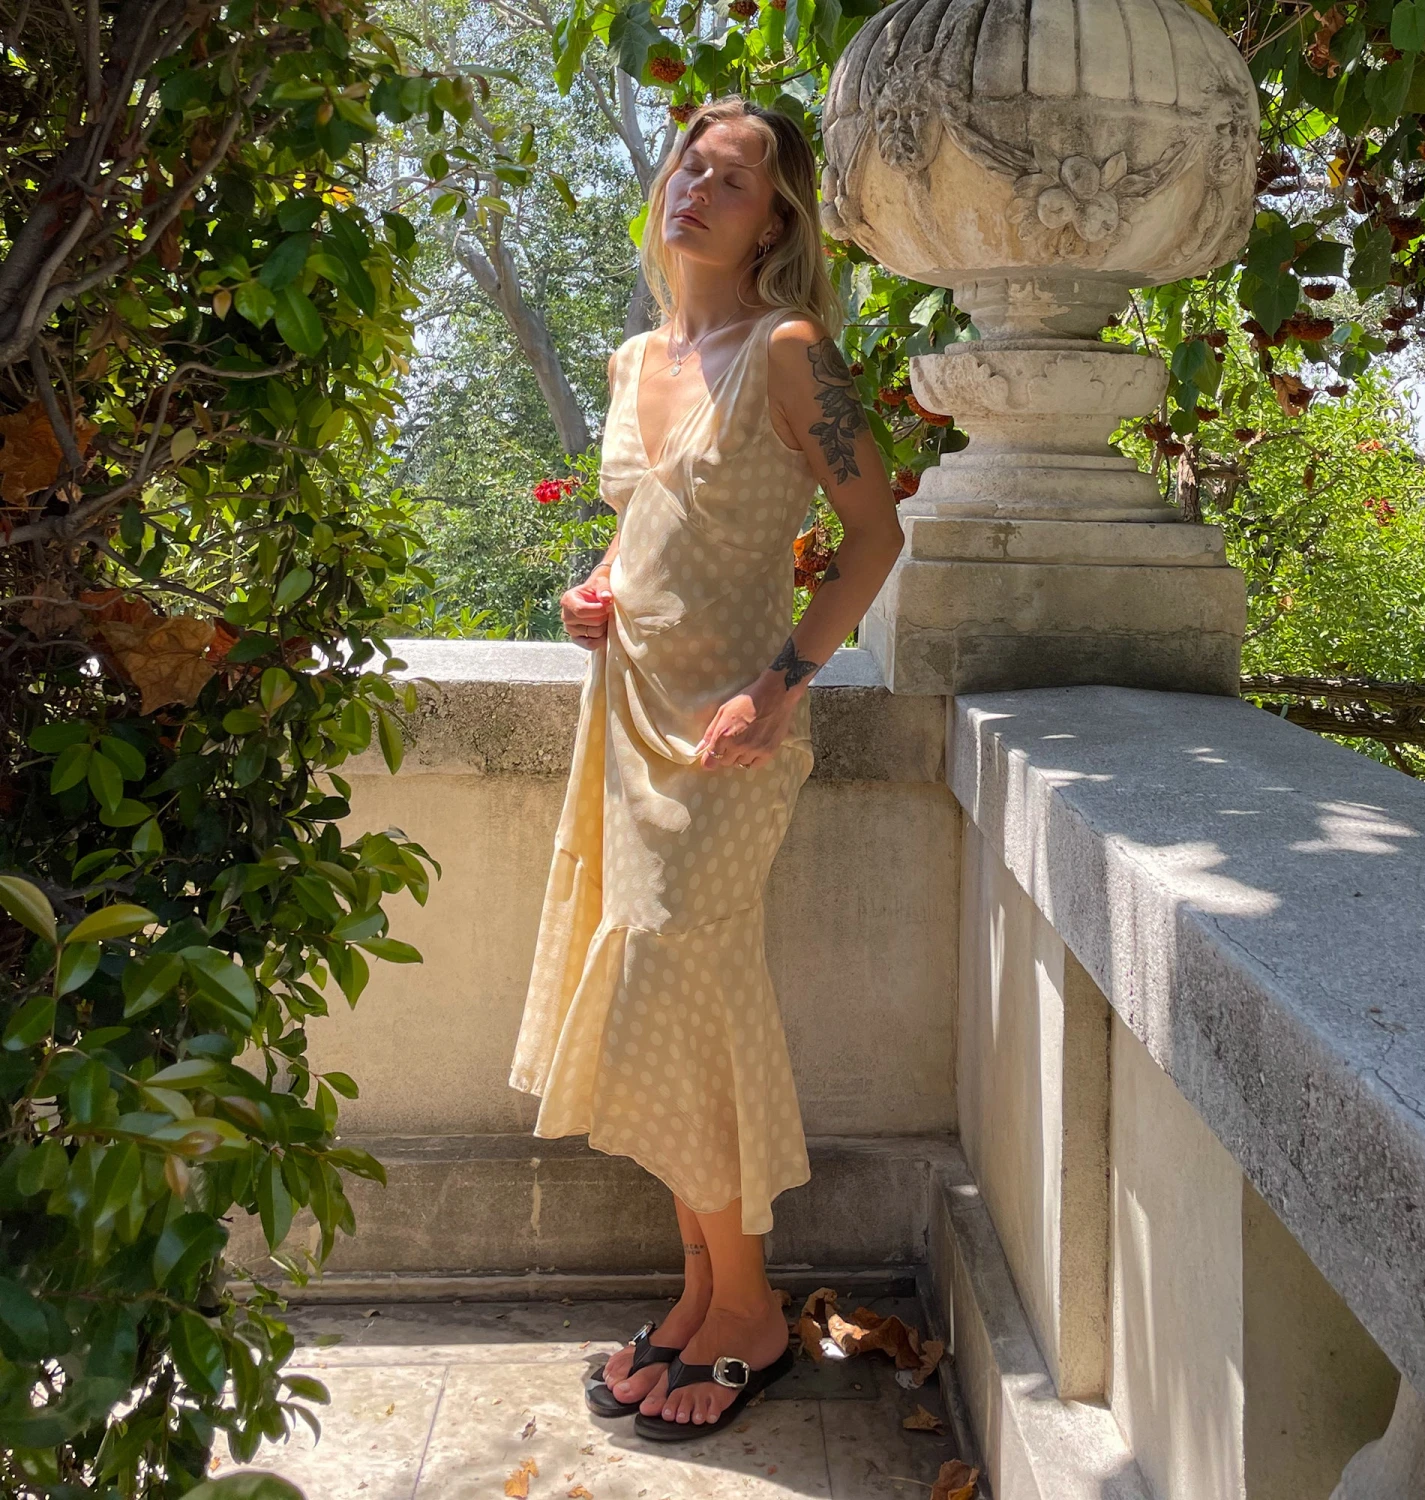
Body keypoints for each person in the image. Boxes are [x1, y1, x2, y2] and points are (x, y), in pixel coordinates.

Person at [508, 96, 904, 1441]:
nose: (696, 188)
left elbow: (873, 536)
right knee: (654, 1004)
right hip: (624, 718)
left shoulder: (791, 353)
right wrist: (594, 590)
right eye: (690, 165)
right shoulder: (637, 357)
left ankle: (752, 1312)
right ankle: (700, 1294)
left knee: (687, 988)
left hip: (732, 735)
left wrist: (781, 685)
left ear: (774, 222)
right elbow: (647, 529)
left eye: (731, 179)